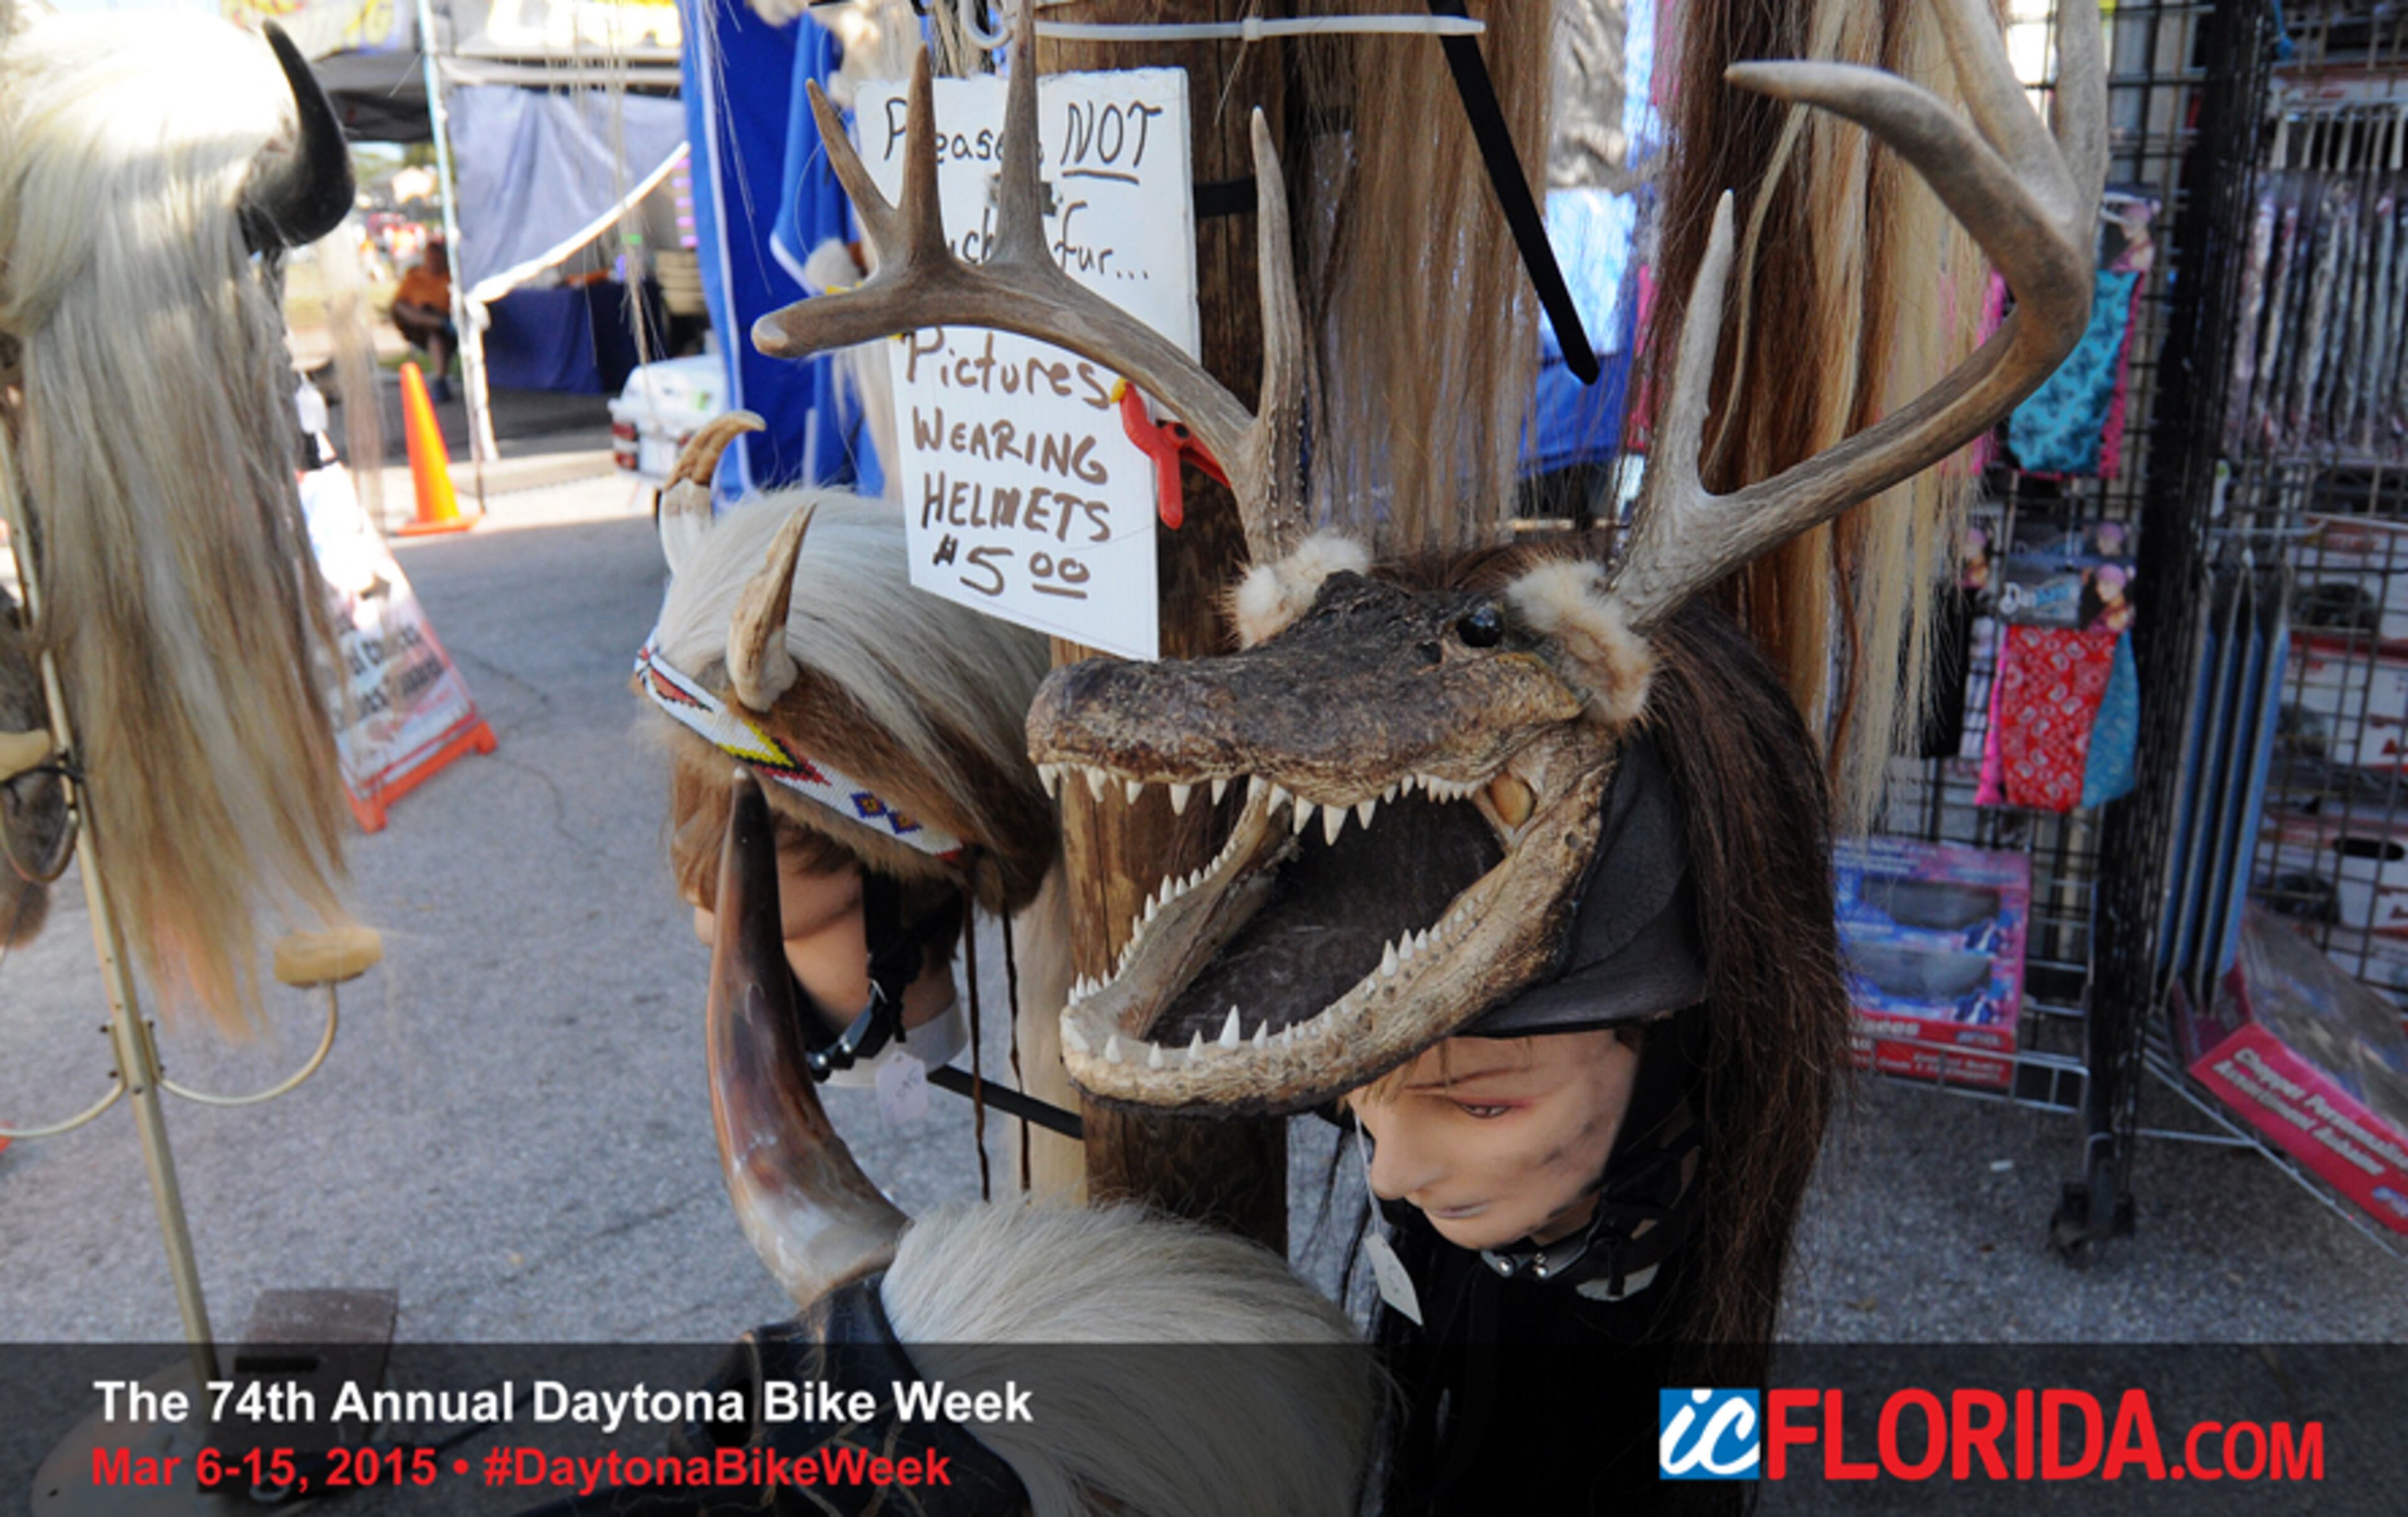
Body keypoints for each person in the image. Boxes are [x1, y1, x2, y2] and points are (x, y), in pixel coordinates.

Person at [390, 238, 456, 401]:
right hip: (416, 323)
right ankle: (436, 322)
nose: (433, 262)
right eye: (430, 257)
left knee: (435, 336)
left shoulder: (452, 277)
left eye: (437, 258)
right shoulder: (414, 277)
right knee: (403, 308)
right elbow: (398, 305)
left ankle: (441, 380)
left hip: (445, 324)